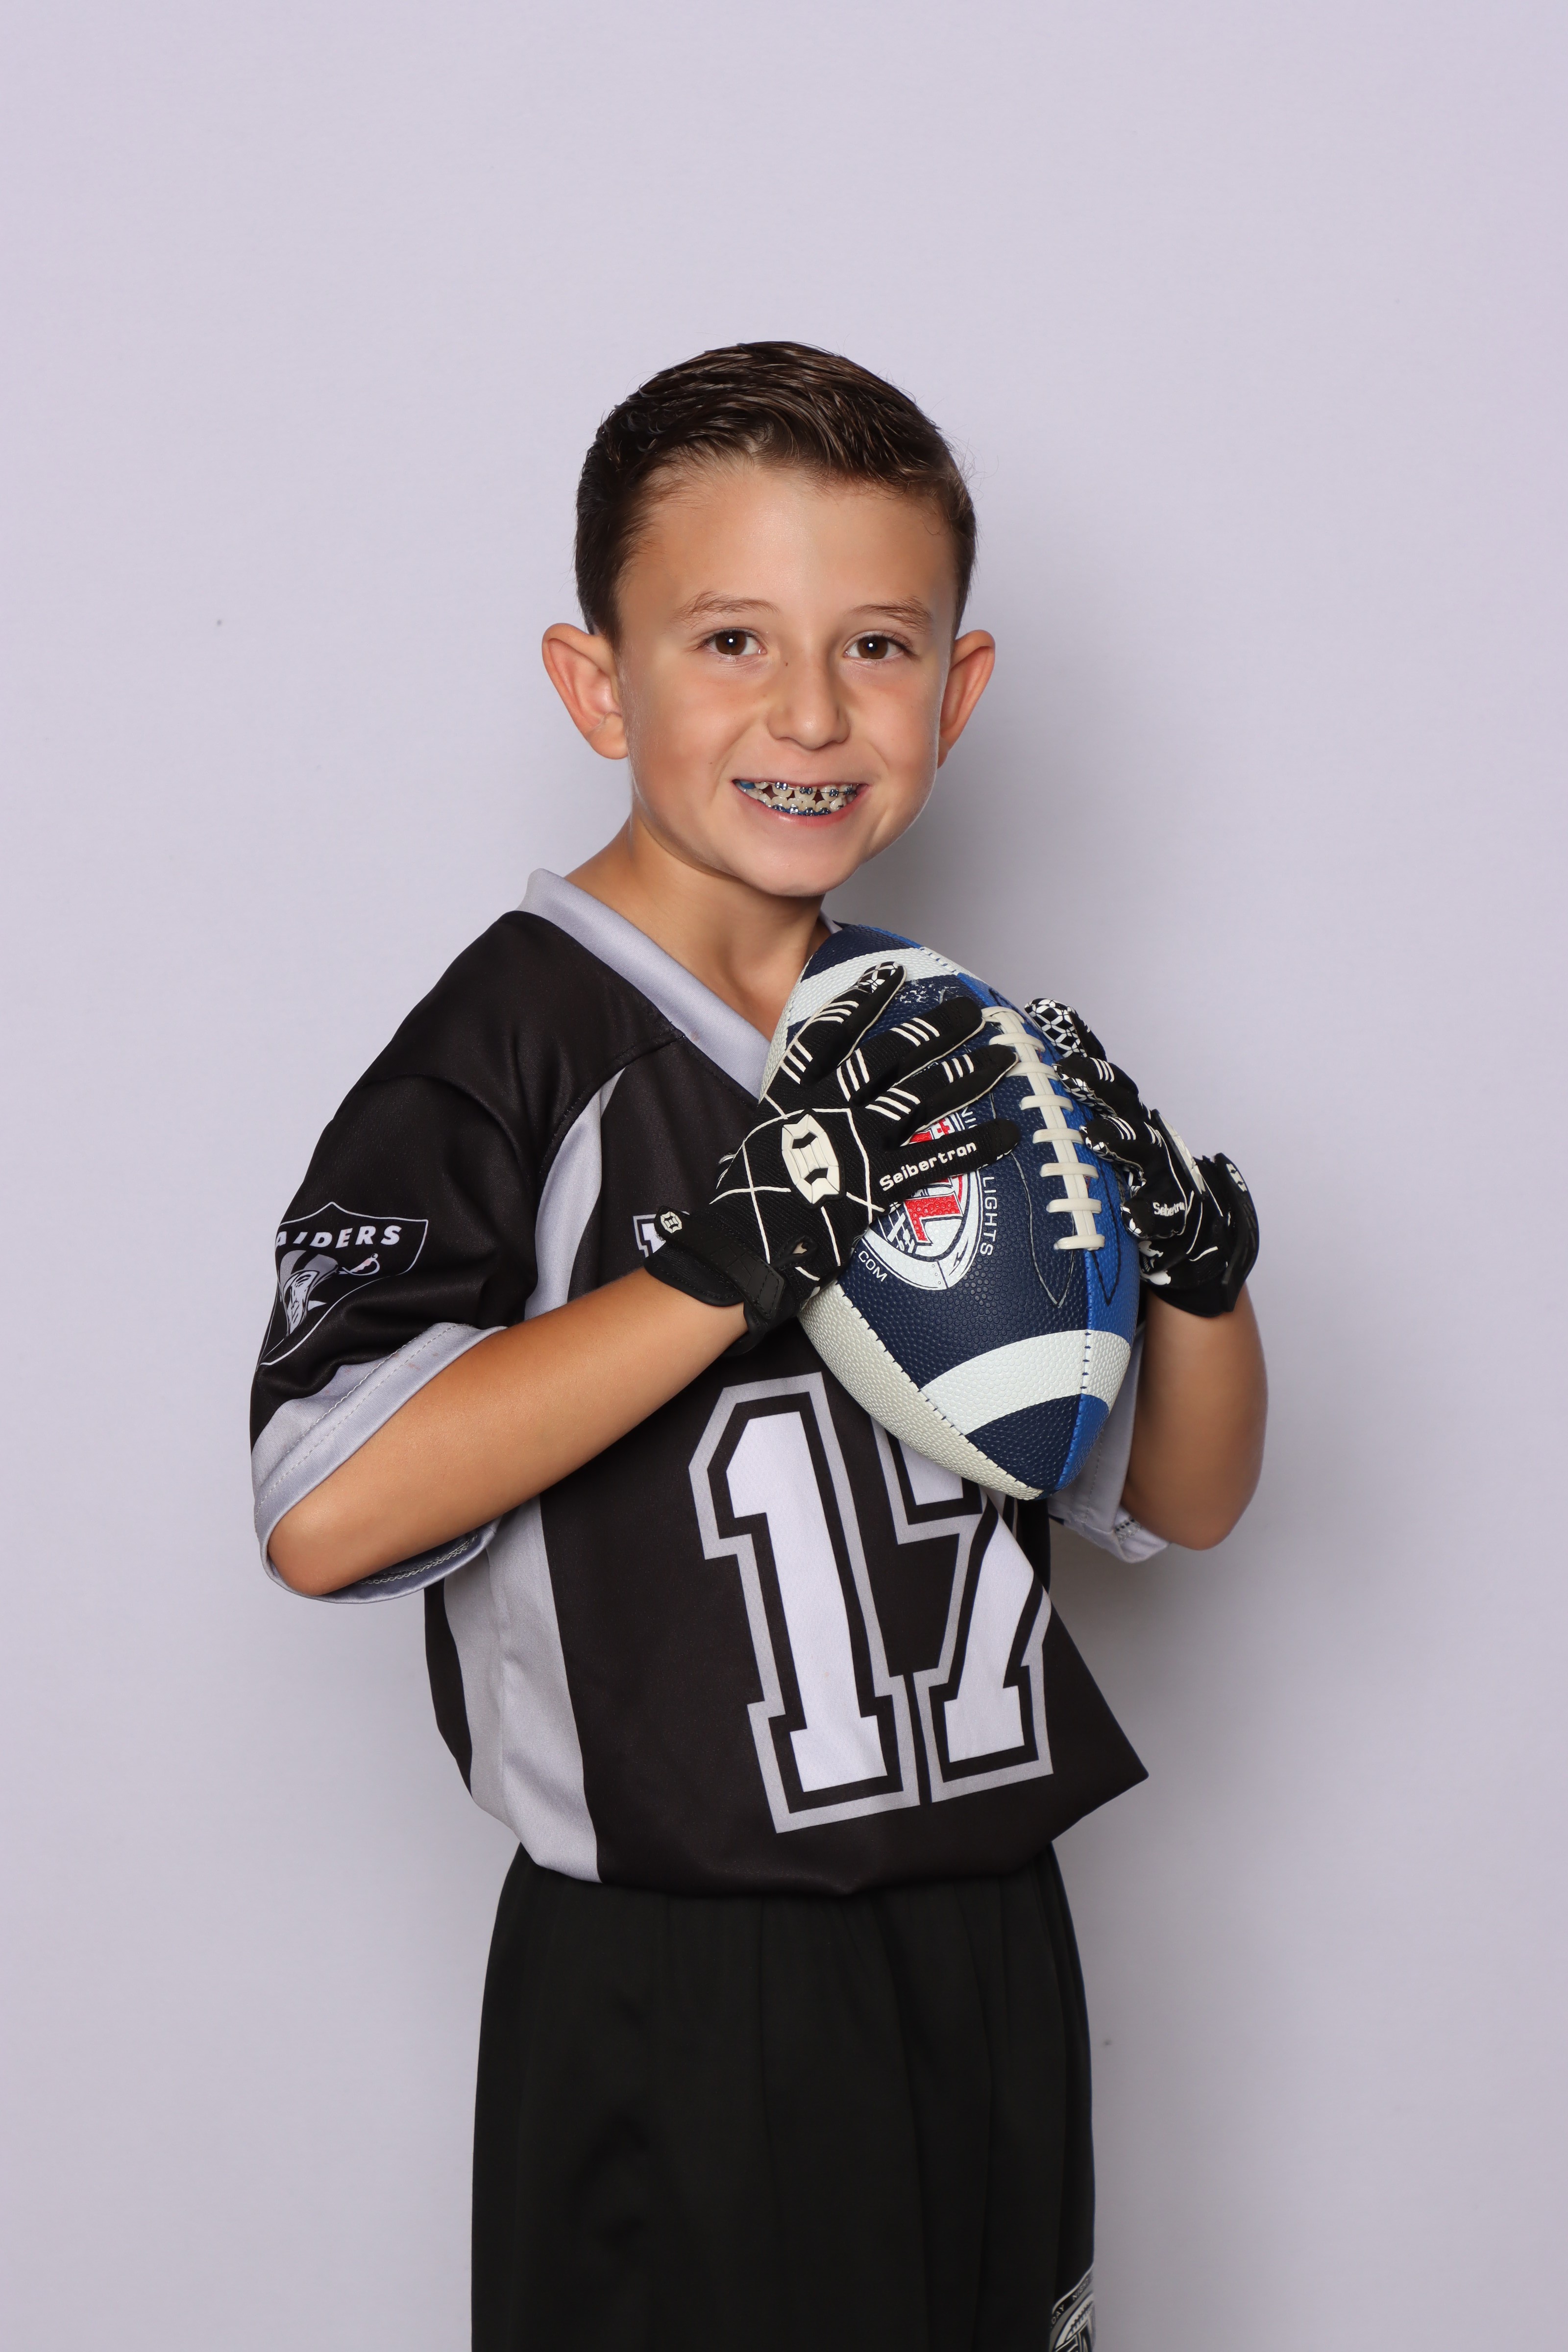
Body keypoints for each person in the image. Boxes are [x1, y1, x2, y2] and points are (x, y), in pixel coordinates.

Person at [250, 342, 1267, 2352]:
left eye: (878, 645)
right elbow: (325, 1514)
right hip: (681, 1975)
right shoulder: (510, 1050)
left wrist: (1203, 1286)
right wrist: (729, 1267)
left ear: (956, 691)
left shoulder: (945, 1042)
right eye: (731, 639)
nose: (810, 712)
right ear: (596, 683)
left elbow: (1179, 1502)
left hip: (986, 1930)